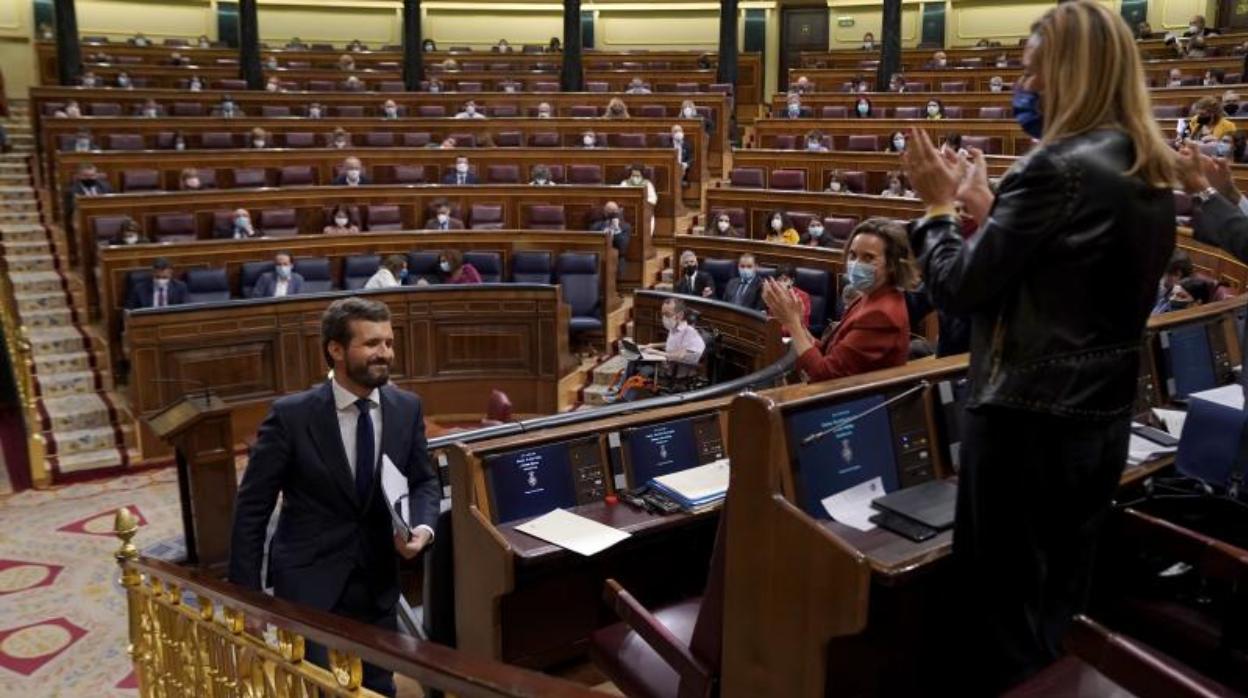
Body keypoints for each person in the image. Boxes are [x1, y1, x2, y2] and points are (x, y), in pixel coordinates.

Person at [899, 2, 1178, 691]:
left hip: (1023, 420)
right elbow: (1069, 273)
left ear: (1069, 74)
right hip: (1098, 419)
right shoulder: (1142, 164)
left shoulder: (1054, 165)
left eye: (1031, 73)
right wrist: (992, 212)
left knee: (999, 615)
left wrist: (936, 209)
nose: (1020, 88)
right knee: (1057, 599)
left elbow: (959, 289)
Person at [229, 297, 440, 697]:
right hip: (310, 581)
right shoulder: (292, 416)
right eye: (372, 343)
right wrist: (248, 596)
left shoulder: (406, 408)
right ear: (336, 350)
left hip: (377, 580)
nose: (385, 354)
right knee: (323, 688)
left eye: (389, 343)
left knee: (379, 686)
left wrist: (424, 528)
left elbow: (424, 481)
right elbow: (252, 509)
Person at [763, 218, 912, 381]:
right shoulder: (869, 296)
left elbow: (824, 374)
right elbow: (832, 352)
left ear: (891, 264)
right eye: (853, 255)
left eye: (868, 258)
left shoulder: (881, 315)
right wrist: (799, 325)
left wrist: (791, 324)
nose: (856, 264)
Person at [771, 265, 811, 334]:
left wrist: (778, 330)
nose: (781, 283)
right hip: (775, 334)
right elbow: (771, 318)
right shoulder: (774, 295)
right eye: (779, 280)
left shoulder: (803, 297)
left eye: (785, 280)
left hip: (795, 336)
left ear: (792, 281)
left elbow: (804, 324)